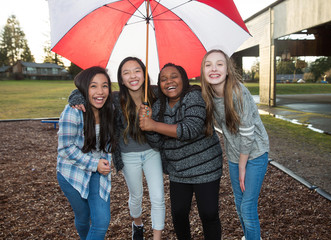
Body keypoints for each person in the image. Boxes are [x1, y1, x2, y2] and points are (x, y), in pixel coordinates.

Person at [68, 57, 165, 240]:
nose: (132, 76)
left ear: (144, 74)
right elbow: (83, 92)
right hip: (128, 155)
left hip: (152, 153)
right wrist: (76, 97)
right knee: (136, 196)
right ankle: (137, 225)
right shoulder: (114, 98)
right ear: (121, 79)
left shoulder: (155, 95)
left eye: (137, 71)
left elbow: (178, 90)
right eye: (126, 73)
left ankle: (156, 237)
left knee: (158, 197)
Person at [139, 63, 223, 240]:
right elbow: (156, 142)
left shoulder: (194, 96)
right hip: (178, 171)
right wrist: (147, 124)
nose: (169, 81)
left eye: (174, 76)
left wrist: (154, 125)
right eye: (163, 79)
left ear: (183, 79)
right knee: (178, 214)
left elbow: (189, 130)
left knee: (208, 213)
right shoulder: (158, 106)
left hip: (205, 167)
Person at [200, 49, 269, 240]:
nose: (214, 68)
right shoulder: (209, 96)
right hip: (234, 155)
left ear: (228, 69)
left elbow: (248, 133)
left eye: (219, 64)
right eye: (208, 64)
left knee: (247, 207)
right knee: (239, 205)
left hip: (254, 153)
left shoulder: (238, 92)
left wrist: (242, 166)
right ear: (203, 71)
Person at [57, 66, 116, 240]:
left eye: (105, 86)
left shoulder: (110, 108)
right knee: (83, 217)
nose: (100, 91)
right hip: (72, 173)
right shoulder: (73, 111)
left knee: (101, 221)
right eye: (93, 86)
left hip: (99, 172)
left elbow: (133, 93)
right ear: (84, 88)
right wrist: (94, 164)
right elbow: (65, 149)